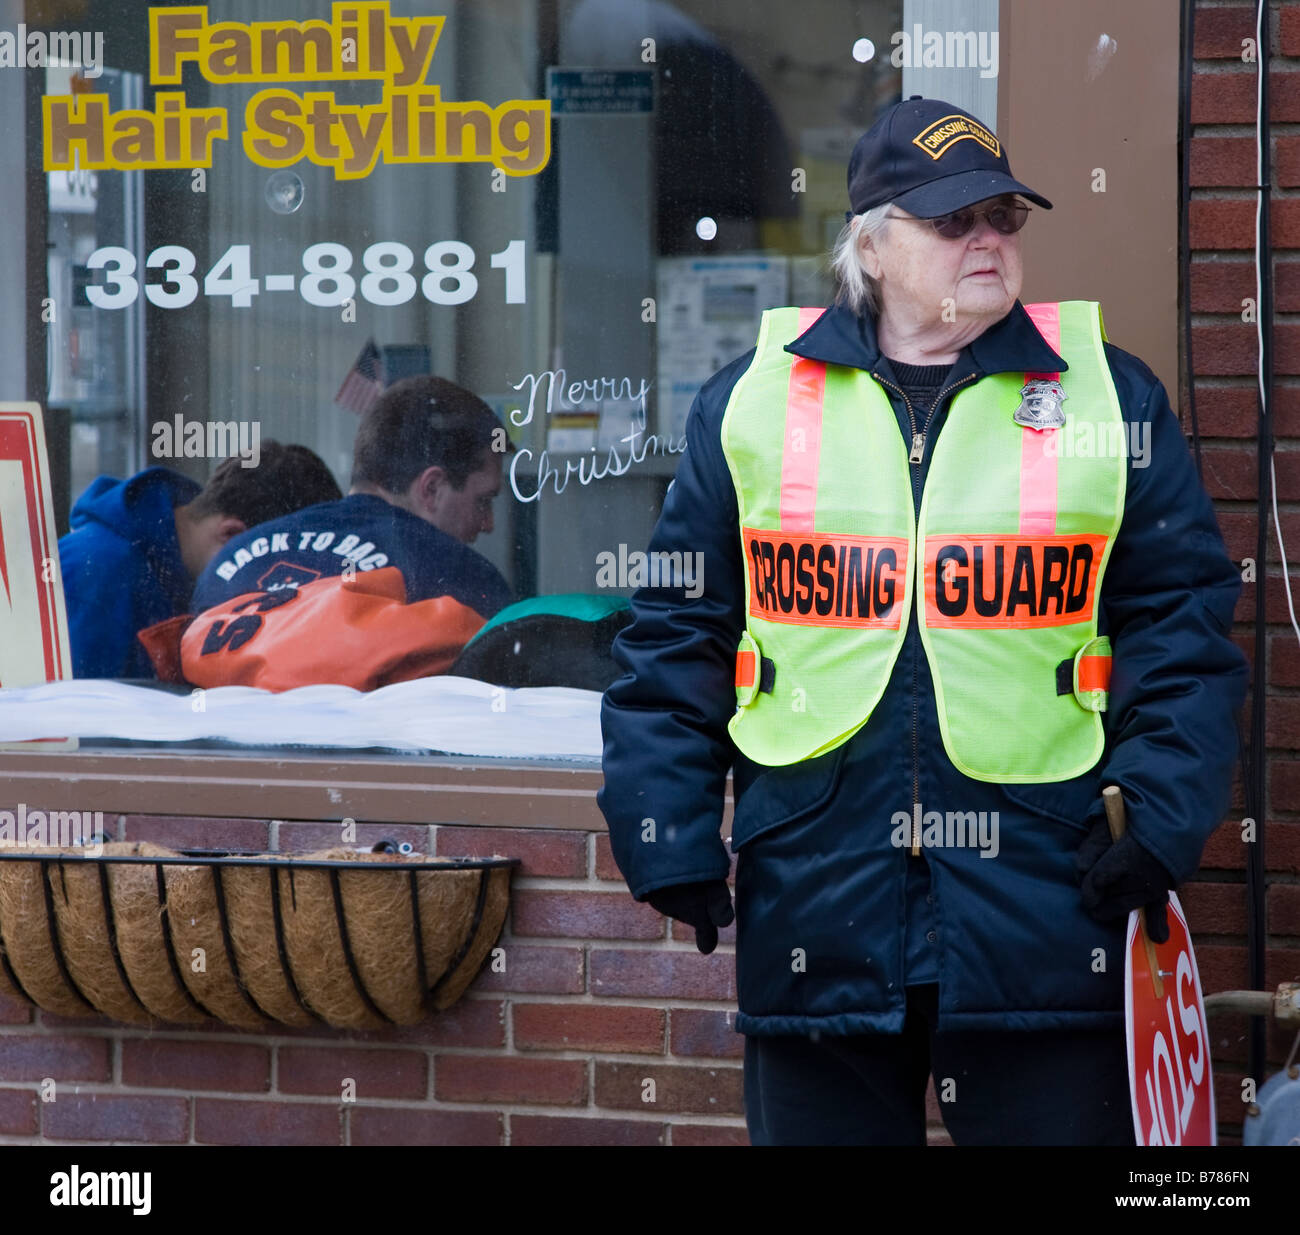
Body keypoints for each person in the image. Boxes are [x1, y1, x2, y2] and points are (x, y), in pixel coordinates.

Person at [597, 96, 1248, 1145]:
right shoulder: (754, 402)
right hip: (818, 895)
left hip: (1047, 899)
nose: (986, 238)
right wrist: (664, 829)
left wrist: (1160, 819)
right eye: (952, 221)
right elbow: (677, 626)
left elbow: (1182, 627)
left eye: (1002, 215)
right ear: (871, 243)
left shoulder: (1106, 399)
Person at [185, 376, 513, 689]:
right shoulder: (460, 581)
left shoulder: (227, 563)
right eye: (483, 501)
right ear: (432, 488)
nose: (488, 523)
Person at [58, 444, 342, 679]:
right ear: (232, 535)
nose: (261, 600)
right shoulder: (98, 577)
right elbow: (74, 732)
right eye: (268, 580)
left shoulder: (170, 568)